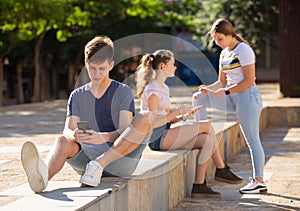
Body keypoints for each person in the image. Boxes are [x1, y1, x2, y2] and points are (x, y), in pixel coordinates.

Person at [21, 35, 154, 193]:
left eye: (102, 69)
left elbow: (125, 131)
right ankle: (42, 178)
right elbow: (68, 129)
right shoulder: (77, 95)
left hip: (120, 159)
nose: (97, 74)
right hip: (88, 161)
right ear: (86, 64)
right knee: (62, 140)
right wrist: (75, 135)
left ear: (111, 65)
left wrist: (102, 137)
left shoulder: (122, 92)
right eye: (92, 68)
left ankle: (99, 164)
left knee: (145, 117)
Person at [135, 49, 242, 198]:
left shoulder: (164, 88)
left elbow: (166, 118)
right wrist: (177, 111)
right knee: (206, 125)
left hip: (166, 132)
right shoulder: (153, 90)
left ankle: (199, 185)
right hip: (157, 138)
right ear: (162, 67)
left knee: (207, 140)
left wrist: (184, 116)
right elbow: (151, 123)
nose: (175, 67)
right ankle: (221, 169)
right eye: (172, 64)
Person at [192, 19, 267, 194]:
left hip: (247, 97)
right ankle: (200, 134)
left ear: (229, 34)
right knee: (198, 97)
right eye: (216, 40)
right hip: (231, 97)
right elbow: (221, 82)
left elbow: (249, 81)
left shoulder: (244, 50)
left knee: (252, 140)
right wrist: (208, 89)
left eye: (220, 39)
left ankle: (259, 181)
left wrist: (224, 92)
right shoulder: (224, 53)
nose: (218, 43)